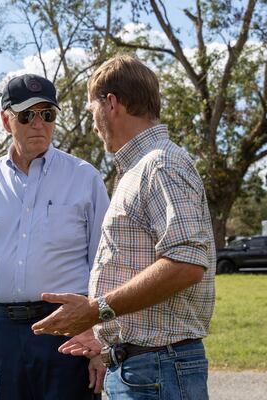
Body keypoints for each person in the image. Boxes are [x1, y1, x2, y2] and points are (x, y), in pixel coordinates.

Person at [32, 55, 216, 400]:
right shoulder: (139, 168)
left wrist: (97, 310)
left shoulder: (160, 164)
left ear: (111, 103)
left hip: (158, 370)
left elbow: (186, 264)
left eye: (92, 111)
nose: (94, 124)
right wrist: (107, 334)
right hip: (146, 368)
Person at [0, 73, 110, 399]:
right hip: (3, 335)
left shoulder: (85, 178)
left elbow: (104, 266)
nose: (38, 124)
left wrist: (99, 339)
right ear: (6, 121)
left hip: (69, 331)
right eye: (26, 115)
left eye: (47, 114)